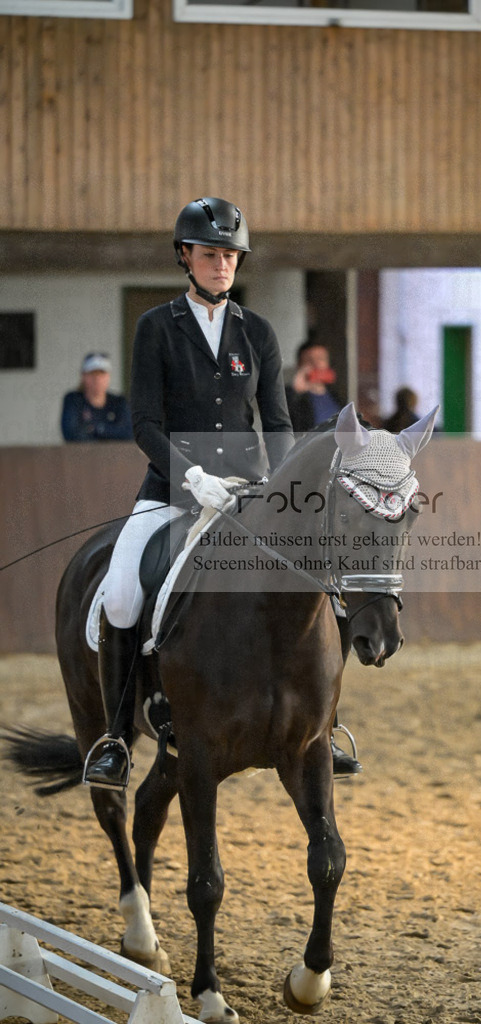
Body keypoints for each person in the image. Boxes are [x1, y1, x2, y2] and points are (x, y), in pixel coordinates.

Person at [83, 197, 296, 790]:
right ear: (186, 257)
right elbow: (144, 423)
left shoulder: (258, 333)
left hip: (245, 495)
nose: (222, 264)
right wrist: (190, 476)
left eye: (230, 255)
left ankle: (321, 724)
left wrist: (276, 490)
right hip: (173, 492)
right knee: (122, 595)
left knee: (309, 577)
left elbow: (277, 423)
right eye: (210, 254)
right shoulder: (156, 327)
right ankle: (116, 740)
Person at [61, 353, 133, 442]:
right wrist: (109, 432)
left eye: (101, 374)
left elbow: (129, 433)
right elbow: (71, 433)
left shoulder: (119, 402)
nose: (97, 379)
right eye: (92, 374)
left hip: (116, 455)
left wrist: (97, 428)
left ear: (108, 377)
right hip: (82, 455)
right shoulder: (73, 400)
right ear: (83, 376)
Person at [285, 339, 341, 432]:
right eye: (309, 360)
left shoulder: (335, 396)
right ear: (299, 365)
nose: (316, 364)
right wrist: (295, 391)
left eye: (321, 359)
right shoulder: (290, 396)